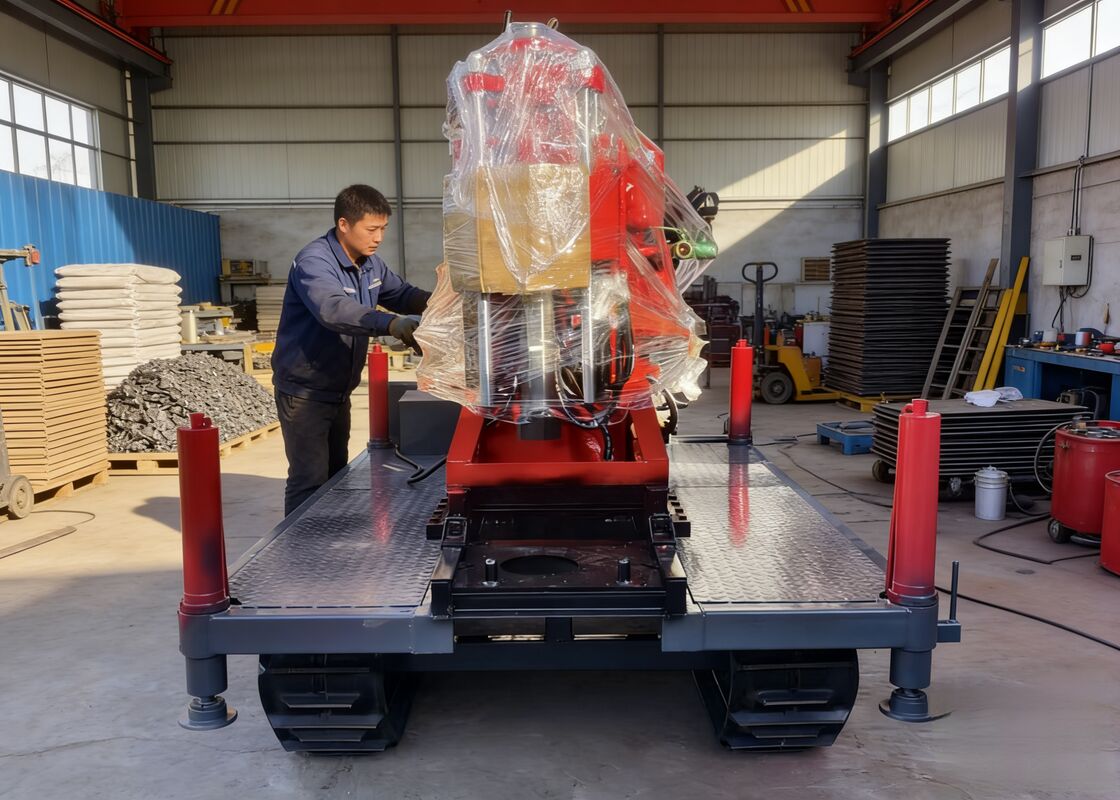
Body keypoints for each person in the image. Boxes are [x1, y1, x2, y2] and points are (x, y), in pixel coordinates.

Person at [272, 184, 430, 516]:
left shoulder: (369, 264)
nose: (379, 237)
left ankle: (327, 534)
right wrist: (391, 324)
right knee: (309, 479)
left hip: (338, 388)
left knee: (335, 476)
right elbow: (333, 309)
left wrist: (445, 302)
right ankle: (302, 544)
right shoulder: (314, 262)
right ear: (344, 224)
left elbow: (402, 294)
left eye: (383, 229)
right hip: (305, 391)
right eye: (372, 229)